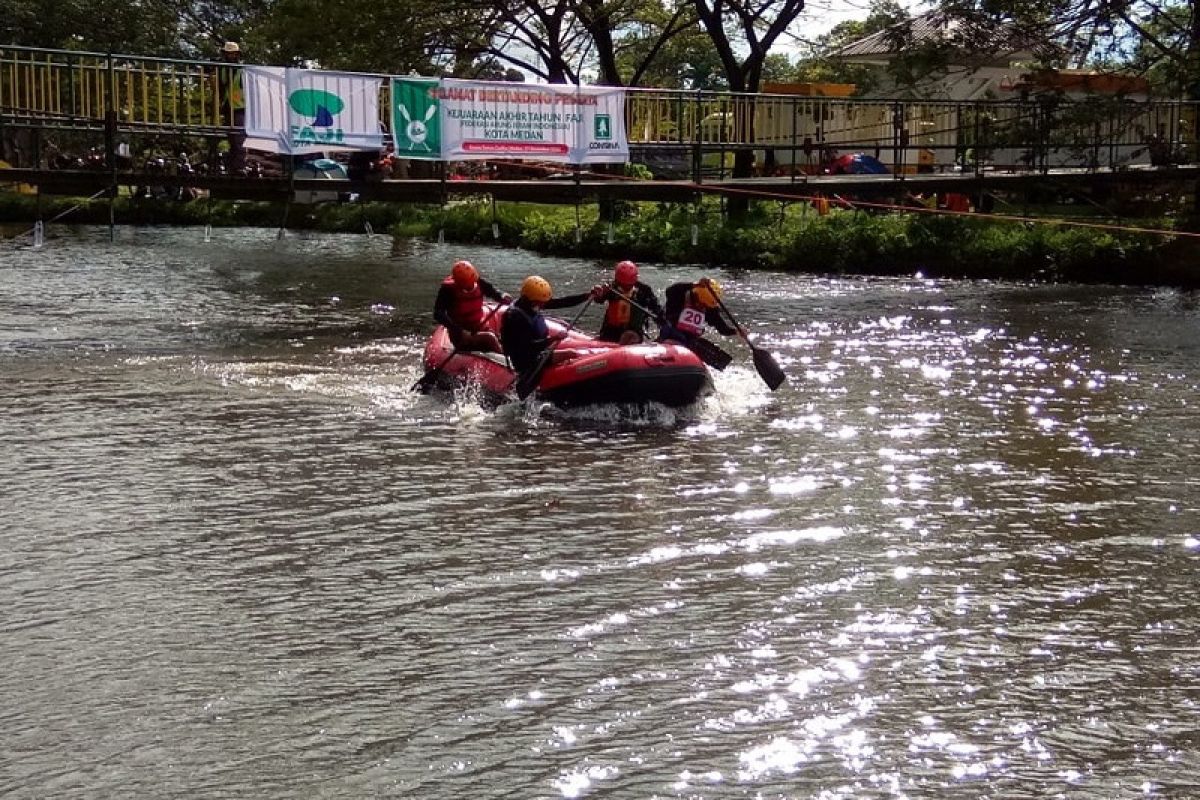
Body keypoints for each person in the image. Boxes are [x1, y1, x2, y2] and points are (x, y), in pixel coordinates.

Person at [500, 275, 586, 380]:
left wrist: (588, 296)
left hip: (537, 352)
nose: (542, 305)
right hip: (525, 360)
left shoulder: (531, 303)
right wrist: (554, 339)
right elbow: (528, 347)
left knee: (573, 353)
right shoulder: (514, 317)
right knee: (571, 353)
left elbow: (562, 302)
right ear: (529, 299)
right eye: (540, 302)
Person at [433, 260, 510, 353]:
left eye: (472, 282)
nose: (471, 285)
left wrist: (502, 296)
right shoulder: (448, 290)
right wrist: (458, 330)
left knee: (500, 338)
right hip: (460, 334)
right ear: (458, 283)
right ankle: (504, 361)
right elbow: (438, 313)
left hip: (479, 327)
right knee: (490, 338)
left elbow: (493, 292)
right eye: (466, 284)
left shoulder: (477, 281)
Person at [594, 260, 664, 345]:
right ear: (617, 280)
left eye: (629, 285)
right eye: (623, 284)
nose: (626, 287)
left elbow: (656, 309)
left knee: (628, 336)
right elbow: (599, 300)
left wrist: (663, 322)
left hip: (633, 331)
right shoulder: (610, 288)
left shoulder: (644, 290)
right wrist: (598, 293)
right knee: (609, 336)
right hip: (610, 330)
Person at [659, 277, 744, 344]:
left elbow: (722, 328)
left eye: (705, 305)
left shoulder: (709, 307)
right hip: (671, 329)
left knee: (689, 340)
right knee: (678, 336)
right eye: (701, 303)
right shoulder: (680, 293)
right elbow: (669, 290)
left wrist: (736, 331)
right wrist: (694, 284)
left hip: (690, 337)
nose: (702, 306)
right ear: (696, 295)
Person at [216, 41, 246, 174]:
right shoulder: (222, 68)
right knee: (232, 138)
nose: (231, 56)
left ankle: (239, 166)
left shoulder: (243, 69)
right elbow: (222, 86)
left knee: (239, 138)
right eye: (228, 53)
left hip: (240, 106)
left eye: (233, 53)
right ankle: (232, 167)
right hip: (228, 106)